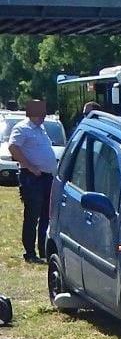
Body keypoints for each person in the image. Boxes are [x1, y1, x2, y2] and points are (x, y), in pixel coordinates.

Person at [8, 99, 59, 265]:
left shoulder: (41, 129)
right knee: (32, 215)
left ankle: (43, 249)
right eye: (40, 113)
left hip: (47, 177)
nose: (43, 116)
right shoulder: (23, 128)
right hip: (32, 177)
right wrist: (30, 166)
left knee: (46, 215)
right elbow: (13, 147)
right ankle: (30, 252)